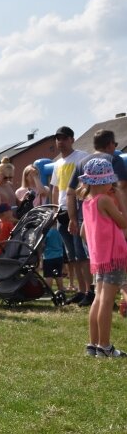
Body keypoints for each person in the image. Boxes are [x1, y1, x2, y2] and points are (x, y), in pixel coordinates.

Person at [66, 128, 127, 307]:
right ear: (110, 145)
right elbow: (122, 186)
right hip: (112, 221)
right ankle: (122, 295)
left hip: (88, 221)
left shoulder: (82, 161)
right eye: (115, 145)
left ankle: (91, 292)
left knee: (93, 264)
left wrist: (72, 218)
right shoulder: (113, 159)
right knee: (117, 266)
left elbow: (70, 192)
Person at [77, 158, 127, 358]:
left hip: (99, 257)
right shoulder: (105, 200)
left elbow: (82, 232)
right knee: (107, 300)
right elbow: (123, 221)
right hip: (114, 255)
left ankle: (94, 344)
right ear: (104, 182)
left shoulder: (87, 202)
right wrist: (121, 199)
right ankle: (105, 346)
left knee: (99, 298)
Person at [49, 126, 90, 306]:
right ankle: (81, 291)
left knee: (82, 253)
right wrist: (54, 210)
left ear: (72, 139)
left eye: (64, 138)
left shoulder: (82, 156)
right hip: (62, 211)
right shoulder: (57, 163)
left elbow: (88, 181)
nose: (60, 141)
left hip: (79, 208)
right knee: (72, 256)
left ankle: (90, 291)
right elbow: (55, 189)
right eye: (58, 138)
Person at [43, 225, 65, 293]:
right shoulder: (59, 231)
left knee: (48, 275)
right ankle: (61, 289)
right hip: (59, 256)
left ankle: (48, 290)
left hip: (48, 257)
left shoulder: (47, 232)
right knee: (58, 275)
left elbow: (43, 244)